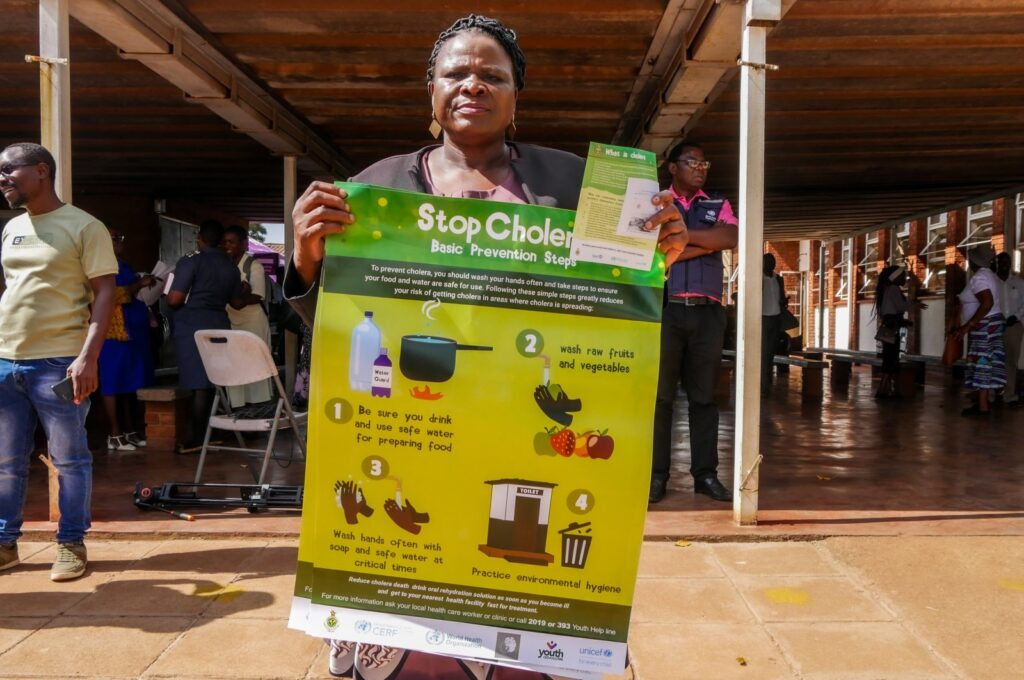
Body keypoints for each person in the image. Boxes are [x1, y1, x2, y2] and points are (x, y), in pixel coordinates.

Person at [284, 14, 687, 679]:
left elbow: (615, 311)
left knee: (524, 599)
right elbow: (328, 318)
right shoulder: (373, 190)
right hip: (416, 432)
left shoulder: (586, 186)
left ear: (516, 97)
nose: (473, 84)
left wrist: (658, 256)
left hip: (523, 426)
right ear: (432, 93)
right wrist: (304, 260)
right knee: (416, 626)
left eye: (492, 74)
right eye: (456, 73)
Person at [0, 142, 117, 581]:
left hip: (59, 363)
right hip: (6, 360)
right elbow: (12, 290)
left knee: (69, 459)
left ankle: (70, 543)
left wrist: (88, 357)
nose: (3, 178)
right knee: (6, 461)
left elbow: (105, 291)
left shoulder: (84, 226)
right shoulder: (12, 228)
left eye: (10, 169)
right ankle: (5, 544)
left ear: (42, 171)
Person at [649, 141, 738, 505]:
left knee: (704, 399)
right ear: (673, 167)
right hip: (666, 310)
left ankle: (706, 476)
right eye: (692, 162)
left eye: (705, 162)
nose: (700, 168)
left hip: (707, 313)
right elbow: (652, 246)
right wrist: (707, 244)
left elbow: (730, 237)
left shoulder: (719, 204)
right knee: (661, 399)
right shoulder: (655, 203)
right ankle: (656, 477)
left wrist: (680, 239)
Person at [167, 220, 245, 451]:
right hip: (220, 325)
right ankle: (216, 432)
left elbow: (174, 299)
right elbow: (237, 303)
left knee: (197, 383)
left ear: (200, 238)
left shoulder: (191, 261)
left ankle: (198, 439)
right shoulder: (231, 267)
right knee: (214, 380)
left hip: (193, 326)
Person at [99, 227, 158, 450]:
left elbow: (135, 294)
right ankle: (114, 434)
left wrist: (145, 285)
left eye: (120, 236)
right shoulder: (99, 267)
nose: (120, 241)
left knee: (132, 383)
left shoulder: (123, 264)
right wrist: (137, 285)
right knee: (113, 383)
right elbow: (111, 295)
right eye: (116, 238)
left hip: (134, 333)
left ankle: (130, 431)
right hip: (114, 334)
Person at [222, 225, 272, 407]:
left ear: (243, 244)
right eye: (224, 242)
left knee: (254, 365)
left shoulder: (254, 266)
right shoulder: (223, 264)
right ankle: (237, 407)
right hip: (231, 321)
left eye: (231, 242)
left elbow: (257, 296)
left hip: (252, 322)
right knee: (234, 365)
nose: (227, 245)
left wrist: (239, 297)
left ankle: (257, 408)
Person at [954, 244, 1005, 416]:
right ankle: (982, 402)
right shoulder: (989, 275)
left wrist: (968, 325)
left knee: (982, 363)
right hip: (992, 323)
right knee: (986, 362)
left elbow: (987, 303)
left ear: (974, 261)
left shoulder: (980, 278)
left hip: (985, 325)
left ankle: (983, 406)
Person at [873, 265, 924, 399]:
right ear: (895, 277)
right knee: (891, 358)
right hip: (892, 328)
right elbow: (901, 306)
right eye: (902, 276)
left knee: (889, 357)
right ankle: (883, 390)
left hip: (888, 327)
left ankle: (886, 389)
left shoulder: (887, 289)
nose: (904, 279)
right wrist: (914, 303)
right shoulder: (894, 289)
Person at [996, 252, 1023, 404]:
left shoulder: (1018, 282)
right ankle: (992, 394)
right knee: (995, 360)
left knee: (1011, 361)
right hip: (995, 326)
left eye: (1007, 262)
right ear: (997, 263)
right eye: (1002, 262)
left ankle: (1009, 394)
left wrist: (1017, 316)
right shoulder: (992, 282)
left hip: (1014, 327)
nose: (1005, 264)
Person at [761, 253, 786, 396]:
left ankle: (767, 383)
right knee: (764, 353)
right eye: (768, 262)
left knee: (770, 353)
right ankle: (763, 386)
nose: (771, 264)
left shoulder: (779, 279)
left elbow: (781, 298)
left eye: (773, 262)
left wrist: (784, 302)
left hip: (775, 318)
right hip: (763, 318)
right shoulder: (759, 278)